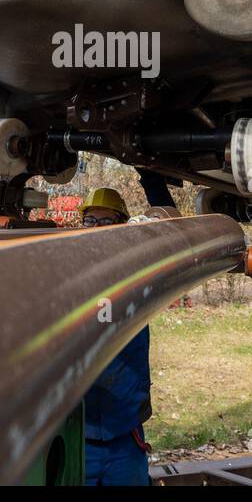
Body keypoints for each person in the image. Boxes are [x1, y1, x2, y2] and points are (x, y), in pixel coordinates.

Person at [79, 186, 153, 485]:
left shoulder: (137, 272)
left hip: (124, 432)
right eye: (90, 222)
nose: (97, 230)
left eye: (106, 221)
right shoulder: (68, 274)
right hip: (77, 433)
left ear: (122, 224)